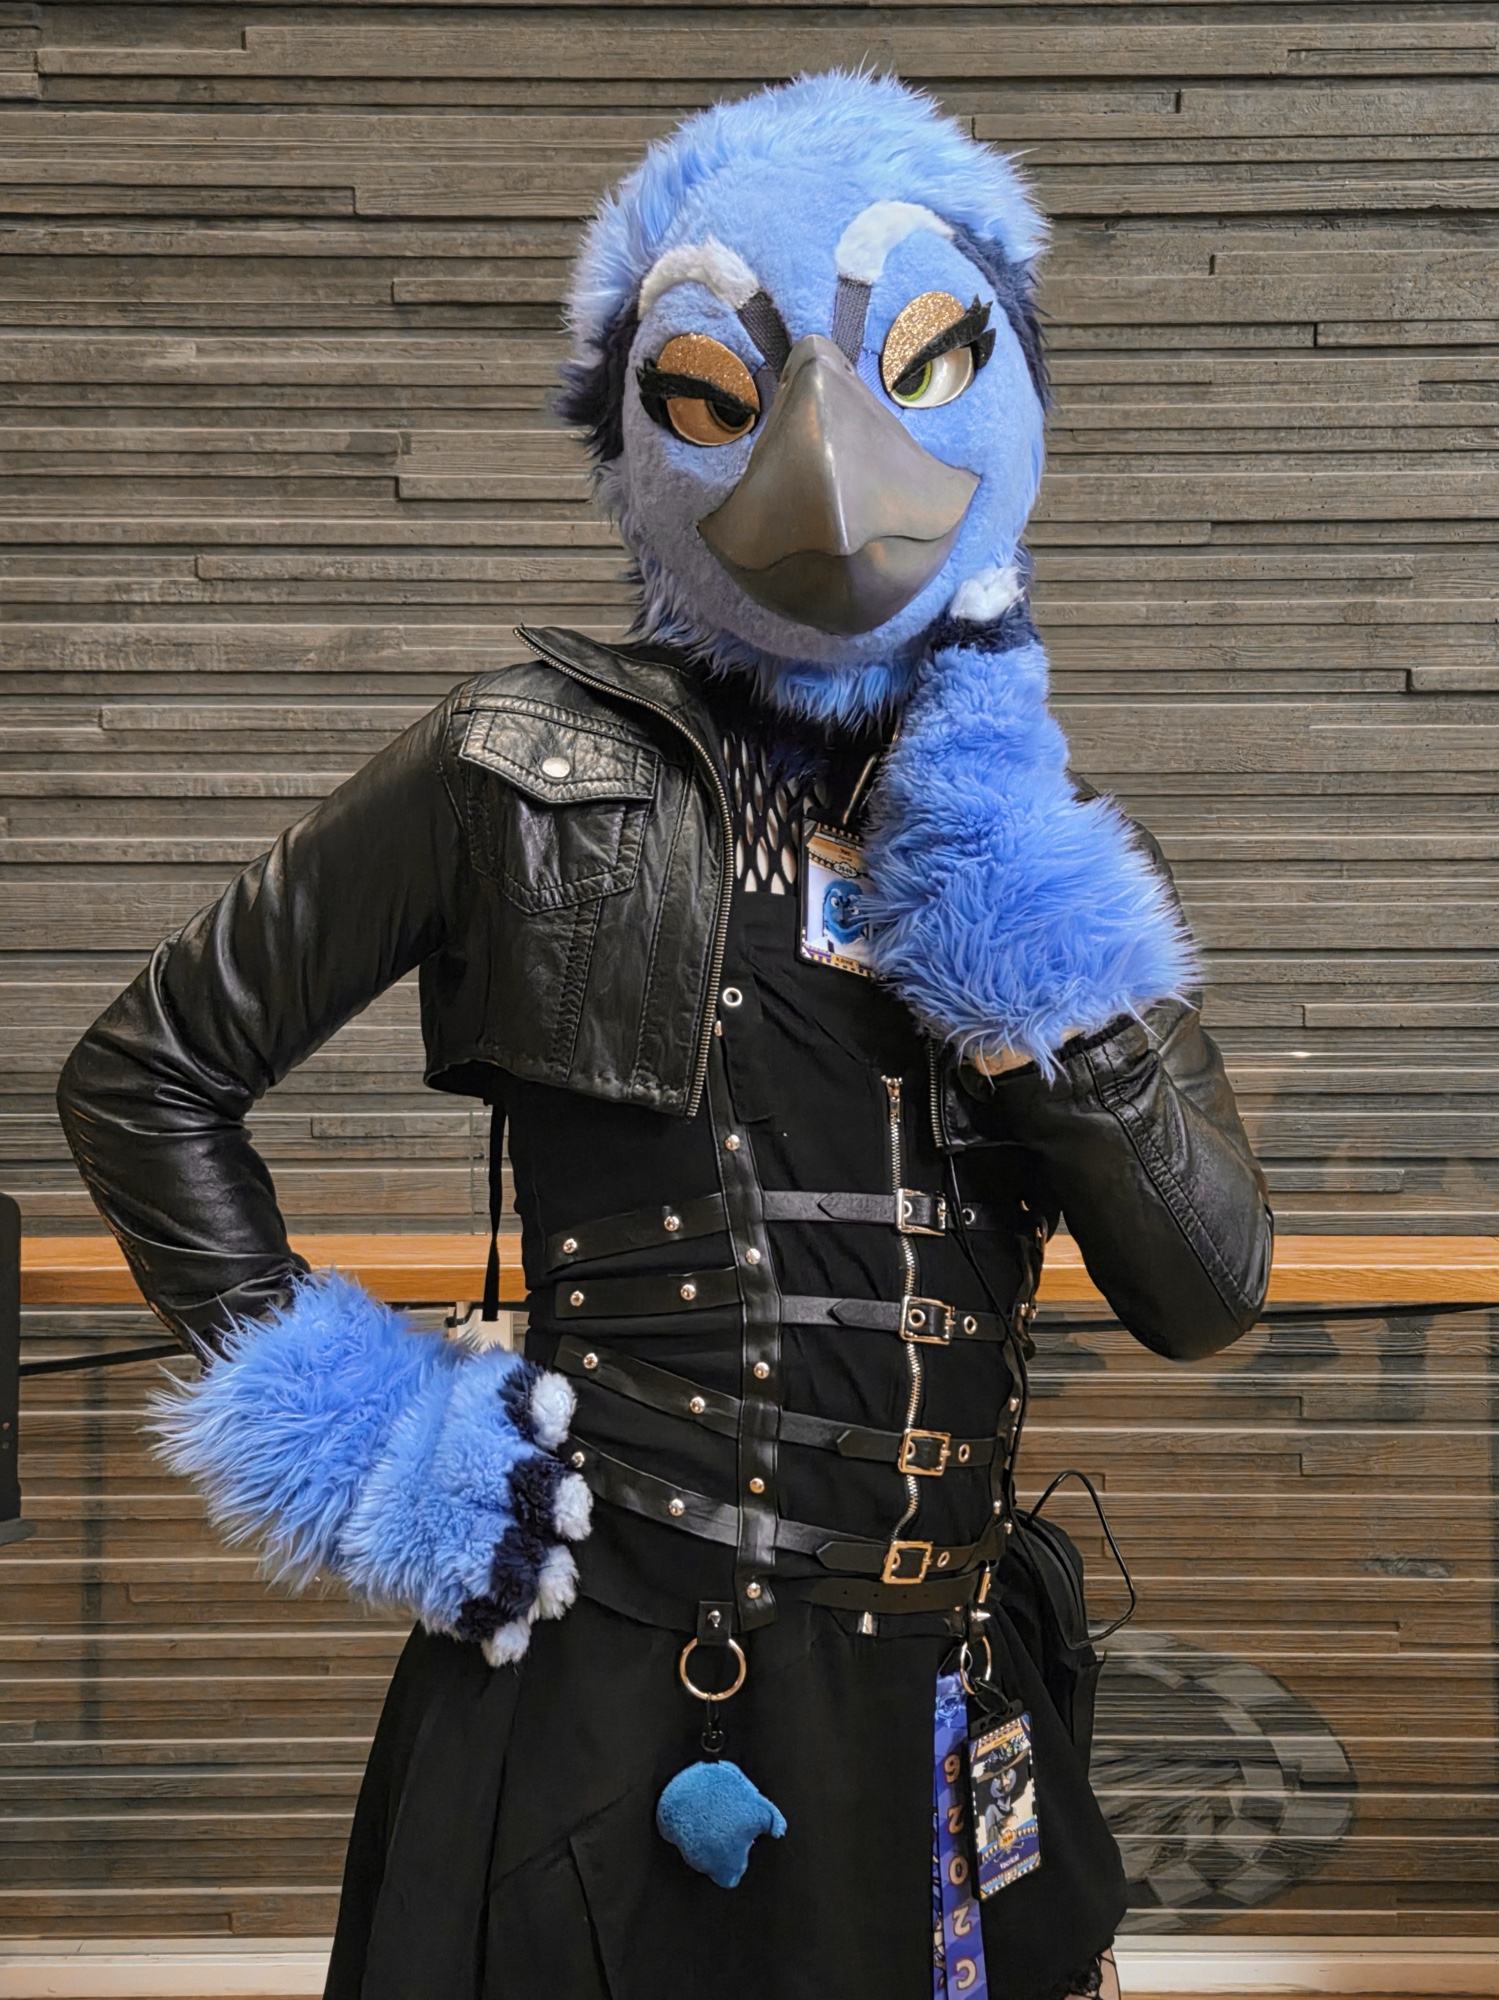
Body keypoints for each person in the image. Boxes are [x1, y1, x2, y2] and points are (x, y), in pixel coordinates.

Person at [59, 72, 1272, 2000]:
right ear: (642, 425)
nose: (828, 463)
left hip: (946, 1692)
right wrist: (365, 1442)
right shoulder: (513, 767)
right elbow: (147, 1075)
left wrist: (1029, 922)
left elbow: (1205, 1290)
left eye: (920, 363)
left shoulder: (1044, 841)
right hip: (630, 1692)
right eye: (719, 387)